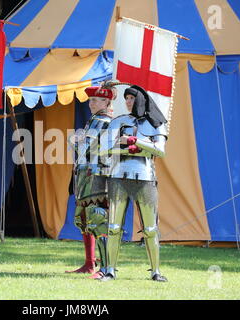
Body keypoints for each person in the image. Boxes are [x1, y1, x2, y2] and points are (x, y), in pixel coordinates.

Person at [99, 85, 168, 282]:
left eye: (131, 98)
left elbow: (160, 151)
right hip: (118, 176)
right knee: (113, 226)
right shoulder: (118, 121)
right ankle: (110, 270)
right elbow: (104, 150)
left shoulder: (156, 123)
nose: (128, 102)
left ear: (141, 100)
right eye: (127, 98)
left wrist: (132, 141)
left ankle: (156, 272)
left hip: (145, 177)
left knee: (150, 229)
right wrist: (136, 149)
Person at [66, 85, 114, 279]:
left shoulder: (104, 121)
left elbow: (85, 142)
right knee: (84, 218)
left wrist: (76, 138)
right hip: (86, 174)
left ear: (107, 102)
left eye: (95, 100)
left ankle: (106, 267)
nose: (91, 103)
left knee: (98, 217)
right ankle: (89, 263)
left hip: (99, 175)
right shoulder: (94, 121)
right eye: (90, 100)